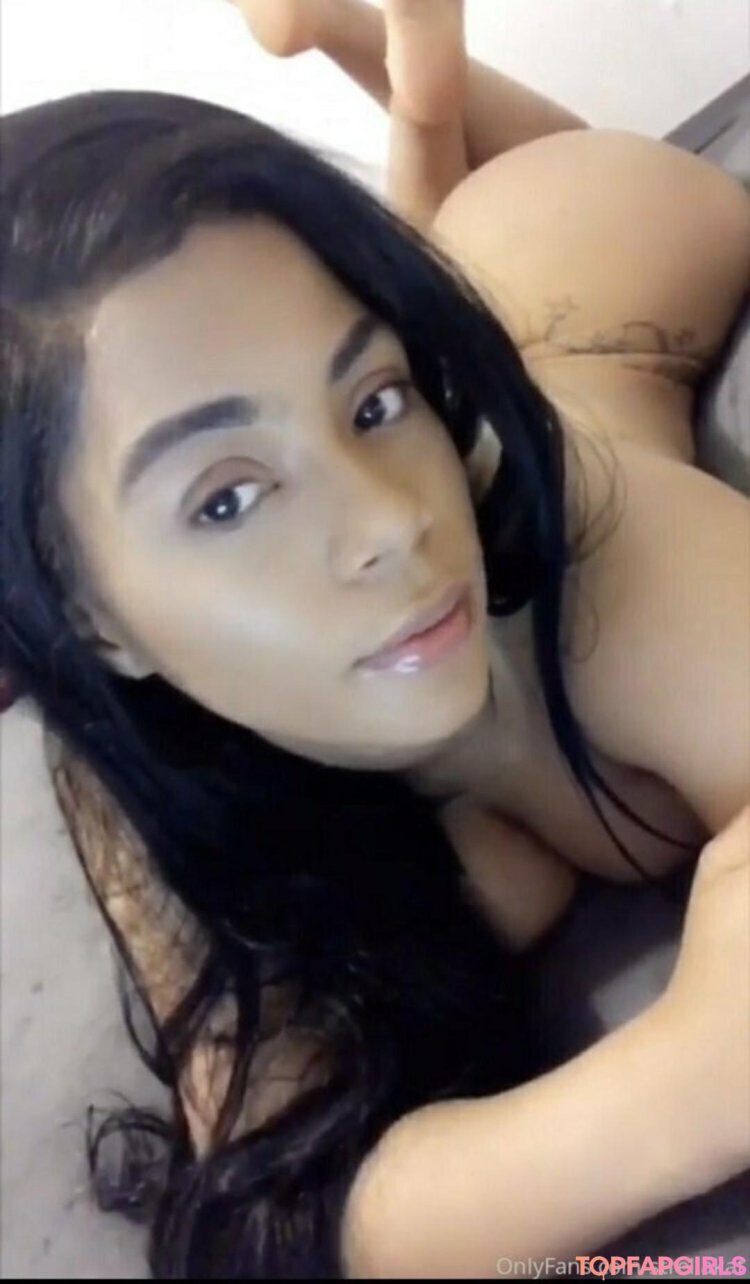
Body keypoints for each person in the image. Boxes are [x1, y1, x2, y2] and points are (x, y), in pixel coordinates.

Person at [1, 0, 748, 1275]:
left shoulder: (624, 568)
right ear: (91, 619)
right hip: (480, 313)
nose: (393, 524)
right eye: (227, 499)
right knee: (425, 266)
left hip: (599, 247)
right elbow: (287, 1199)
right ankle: (396, 81)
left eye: (376, 400)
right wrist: (679, 1092)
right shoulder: (149, 779)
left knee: (491, 239)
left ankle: (404, 79)